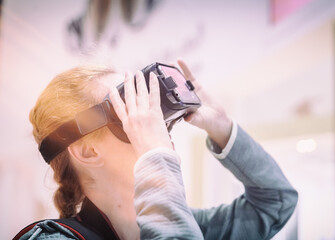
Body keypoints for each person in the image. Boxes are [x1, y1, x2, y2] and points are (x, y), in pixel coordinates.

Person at [14, 59, 298, 240]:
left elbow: (276, 203)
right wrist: (156, 157)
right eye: (129, 110)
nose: (151, 120)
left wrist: (223, 127)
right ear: (88, 152)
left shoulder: (188, 223)